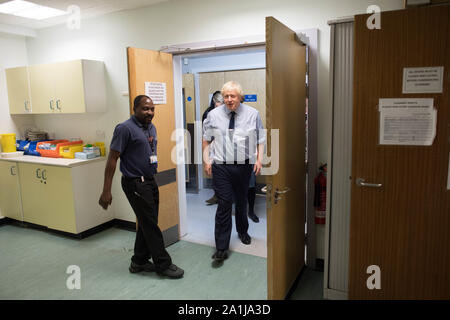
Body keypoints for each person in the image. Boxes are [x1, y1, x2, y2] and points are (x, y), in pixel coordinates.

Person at [98, 95, 184, 279]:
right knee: (151, 224)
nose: (150, 112)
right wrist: (106, 190)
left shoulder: (150, 126)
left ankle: (139, 261)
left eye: (152, 109)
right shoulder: (124, 129)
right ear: (134, 109)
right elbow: (112, 159)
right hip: (135, 183)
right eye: (145, 109)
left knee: (147, 222)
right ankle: (163, 264)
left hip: (150, 180)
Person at [202, 81, 265, 262]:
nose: (229, 100)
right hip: (221, 165)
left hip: (244, 165)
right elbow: (206, 139)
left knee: (241, 200)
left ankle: (243, 231)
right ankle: (221, 247)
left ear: (240, 97)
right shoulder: (213, 115)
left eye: (233, 96)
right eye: (226, 96)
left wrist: (259, 159)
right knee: (224, 203)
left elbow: (260, 138)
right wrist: (207, 160)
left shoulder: (253, 114)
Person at [202, 91, 224, 206]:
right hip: (213, 147)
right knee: (216, 175)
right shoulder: (208, 113)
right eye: (217, 105)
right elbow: (206, 137)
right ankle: (217, 196)